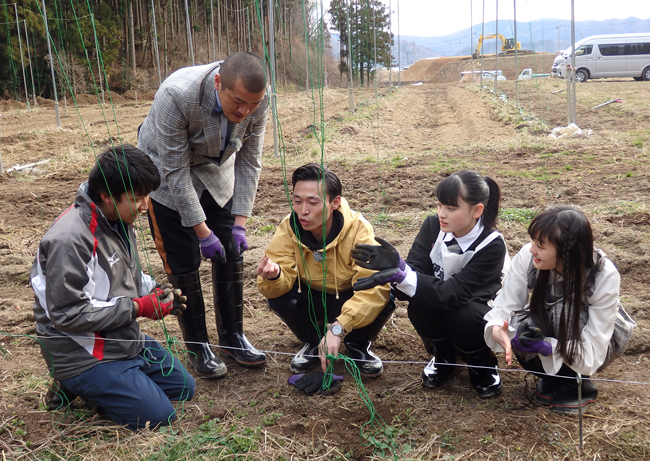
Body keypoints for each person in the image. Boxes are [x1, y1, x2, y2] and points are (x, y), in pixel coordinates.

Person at [30, 144, 195, 430]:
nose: (145, 206)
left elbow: (122, 274)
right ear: (106, 195)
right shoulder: (70, 240)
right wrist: (137, 307)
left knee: (183, 388)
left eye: (147, 196)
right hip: (81, 350)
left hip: (119, 337)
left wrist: (154, 290)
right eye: (138, 198)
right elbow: (68, 314)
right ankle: (73, 382)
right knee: (158, 417)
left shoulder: (117, 218)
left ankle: (112, 381)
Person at [138, 52, 269, 378]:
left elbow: (250, 162)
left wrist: (239, 224)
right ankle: (198, 346)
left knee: (231, 252)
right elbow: (176, 173)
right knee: (183, 262)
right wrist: (202, 232)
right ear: (217, 83)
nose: (244, 111)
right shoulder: (177, 96)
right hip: (167, 174)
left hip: (216, 170)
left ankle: (232, 338)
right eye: (237, 101)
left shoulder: (258, 100)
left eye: (251, 105)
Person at [352, 170, 509, 398]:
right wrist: (399, 272)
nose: (442, 214)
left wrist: (403, 273)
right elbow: (417, 271)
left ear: (477, 210)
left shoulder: (492, 245)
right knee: (420, 304)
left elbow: (455, 293)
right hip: (443, 297)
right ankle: (443, 356)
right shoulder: (433, 227)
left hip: (476, 309)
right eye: (439, 205)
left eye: (451, 208)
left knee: (464, 315)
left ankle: (481, 363)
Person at [485, 206, 636, 413]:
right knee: (522, 327)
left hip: (588, 336)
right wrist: (498, 327)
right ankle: (550, 378)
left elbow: (595, 347)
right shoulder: (528, 257)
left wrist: (548, 348)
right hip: (556, 327)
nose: (531, 249)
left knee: (563, 313)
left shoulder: (602, 274)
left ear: (567, 251)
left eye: (540, 245)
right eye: (533, 241)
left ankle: (576, 384)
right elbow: (506, 304)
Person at [256, 163, 393, 377]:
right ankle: (313, 341)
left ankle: (358, 345)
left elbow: (373, 287)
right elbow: (275, 279)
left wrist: (339, 327)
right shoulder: (289, 227)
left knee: (385, 295)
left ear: (335, 203)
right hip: (312, 299)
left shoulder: (358, 229)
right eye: (297, 201)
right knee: (280, 297)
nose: (303, 211)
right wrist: (275, 276)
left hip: (349, 296)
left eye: (312, 202)